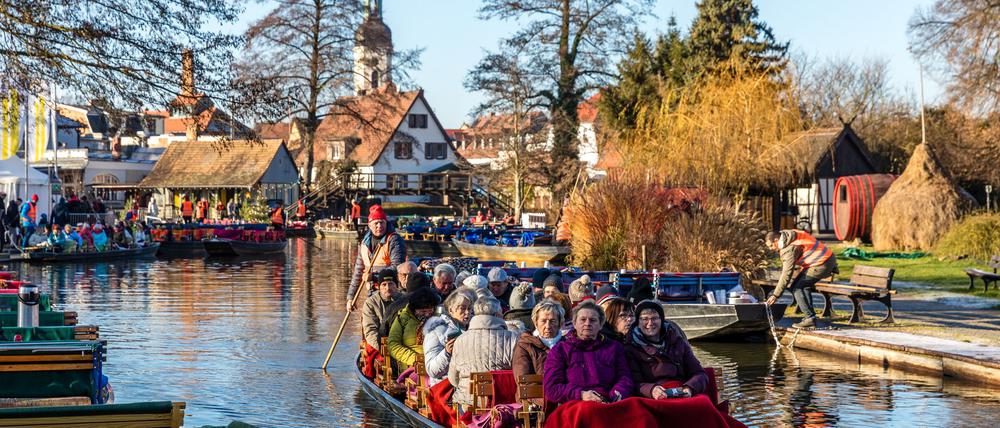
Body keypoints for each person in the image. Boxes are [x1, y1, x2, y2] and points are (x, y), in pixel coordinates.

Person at [543, 300, 633, 404]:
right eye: (583, 320)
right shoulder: (560, 350)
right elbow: (552, 388)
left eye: (593, 320)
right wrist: (581, 394)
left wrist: (617, 394)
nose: (587, 324)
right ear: (574, 324)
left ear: (600, 325)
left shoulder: (614, 348)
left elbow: (625, 378)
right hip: (575, 405)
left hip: (609, 403)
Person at [625, 300, 708, 399]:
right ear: (638, 322)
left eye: (654, 318)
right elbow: (634, 383)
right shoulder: (631, 349)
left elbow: (700, 373)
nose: (650, 323)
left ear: (662, 320)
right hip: (652, 398)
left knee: (702, 403)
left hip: (681, 393)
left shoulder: (678, 342)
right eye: (644, 319)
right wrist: (652, 390)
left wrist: (689, 387)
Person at [448, 297, 519, 409]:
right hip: (503, 405)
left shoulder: (460, 340)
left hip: (467, 405)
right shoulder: (513, 338)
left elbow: (453, 378)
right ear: (496, 315)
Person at [765, 230, 839, 329]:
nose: (771, 249)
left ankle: (809, 319)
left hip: (822, 263)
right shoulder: (789, 235)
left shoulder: (789, 249)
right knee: (797, 287)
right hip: (824, 259)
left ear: (776, 239)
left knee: (798, 288)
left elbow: (786, 274)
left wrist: (776, 295)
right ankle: (810, 318)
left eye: (771, 245)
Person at [347, 205, 405, 311]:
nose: (379, 226)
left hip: (390, 293)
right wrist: (351, 297)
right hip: (371, 293)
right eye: (376, 223)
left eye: (382, 222)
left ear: (386, 223)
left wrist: (374, 277)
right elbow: (358, 272)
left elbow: (398, 267)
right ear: (369, 225)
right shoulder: (364, 243)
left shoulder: (394, 240)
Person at [512, 299, 565, 405]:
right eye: (543, 321)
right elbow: (525, 381)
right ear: (536, 322)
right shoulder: (525, 345)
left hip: (565, 399)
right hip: (534, 403)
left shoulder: (567, 345)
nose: (548, 326)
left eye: (553, 321)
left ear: (560, 323)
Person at [422, 289, 475, 386]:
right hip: (446, 386)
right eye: (462, 308)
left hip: (471, 384)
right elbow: (432, 370)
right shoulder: (436, 331)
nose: (467, 312)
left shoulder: (475, 330)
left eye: (470, 308)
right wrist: (446, 353)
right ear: (451, 310)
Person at [387, 286, 440, 367]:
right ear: (414, 309)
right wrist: (414, 359)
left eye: (430, 311)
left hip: (437, 362)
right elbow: (393, 345)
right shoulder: (403, 319)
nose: (426, 314)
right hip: (412, 365)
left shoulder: (439, 318)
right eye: (422, 311)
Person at [362, 268, 403, 349]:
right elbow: (371, 331)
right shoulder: (370, 303)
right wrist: (382, 348)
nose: (388, 288)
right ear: (379, 287)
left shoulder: (405, 300)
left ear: (396, 285)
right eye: (384, 284)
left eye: (391, 284)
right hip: (381, 343)